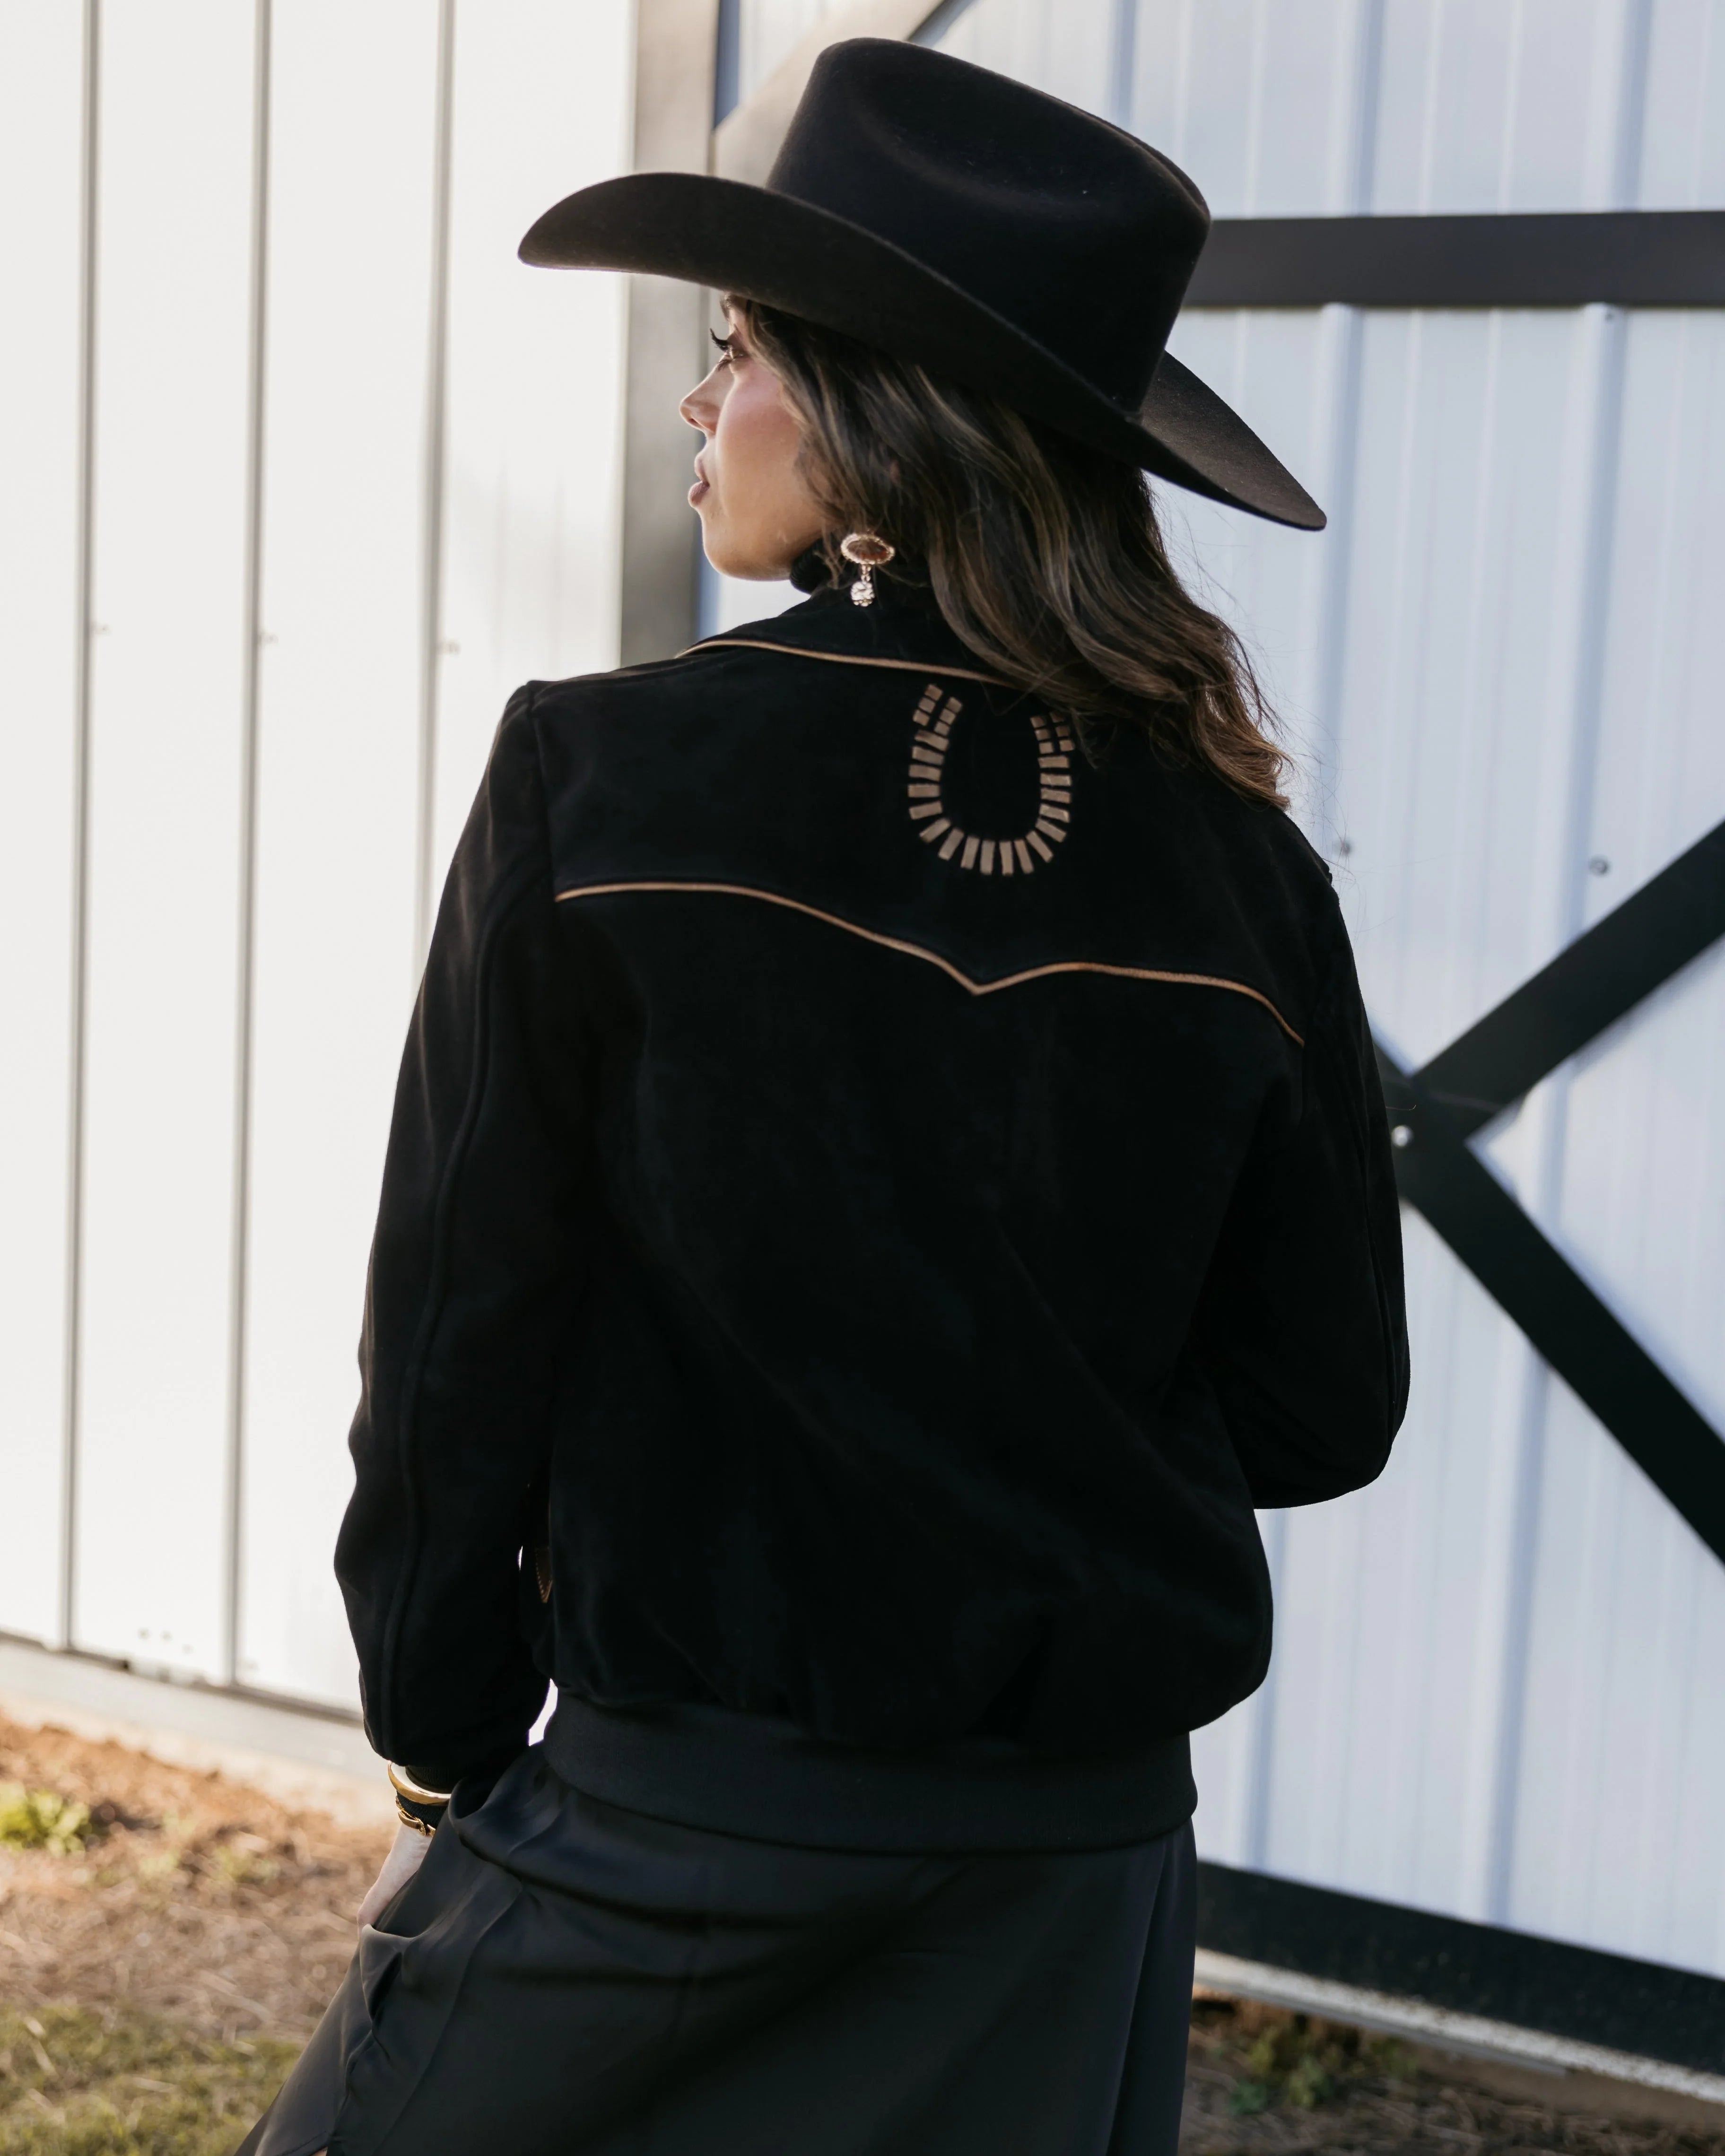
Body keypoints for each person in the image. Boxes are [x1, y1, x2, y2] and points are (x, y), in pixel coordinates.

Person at [239, 36, 1406, 2156]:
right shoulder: (1248, 866)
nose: (701, 403)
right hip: (1076, 1874)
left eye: (739, 350)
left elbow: (455, 1345)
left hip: (682, 1834)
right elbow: (1329, 1410)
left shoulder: (601, 784)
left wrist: (442, 1753)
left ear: (877, 427)